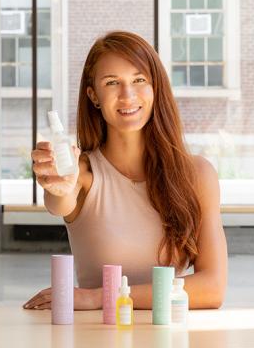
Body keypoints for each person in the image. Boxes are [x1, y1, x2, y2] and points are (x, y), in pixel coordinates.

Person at [23, 31, 227, 310]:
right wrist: (57, 187)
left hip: (168, 341)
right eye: (112, 82)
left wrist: (101, 297)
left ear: (156, 87)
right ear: (94, 96)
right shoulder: (81, 174)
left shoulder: (197, 174)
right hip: (99, 342)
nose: (127, 95)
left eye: (139, 79)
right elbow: (59, 200)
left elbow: (213, 288)